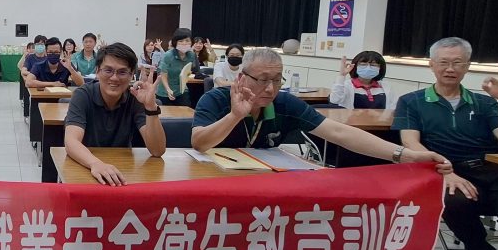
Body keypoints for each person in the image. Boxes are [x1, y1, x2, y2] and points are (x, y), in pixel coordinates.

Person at [190, 47, 450, 170]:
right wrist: (235, 116)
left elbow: (339, 132)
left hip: (264, 179)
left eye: (277, 80)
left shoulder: (284, 103)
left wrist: (403, 155)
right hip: (214, 177)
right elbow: (199, 143)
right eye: (262, 80)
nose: (270, 88)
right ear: (241, 78)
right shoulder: (216, 100)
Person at [393, 37, 498, 250]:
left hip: (488, 168)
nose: (450, 69)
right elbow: (410, 143)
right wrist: (445, 170)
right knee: (454, 201)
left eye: (457, 63)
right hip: (441, 168)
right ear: (431, 64)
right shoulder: (412, 101)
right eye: (443, 62)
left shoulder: (485, 102)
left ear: (468, 66)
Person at [64, 42, 167, 186]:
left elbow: (157, 151)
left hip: (123, 171)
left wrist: (150, 107)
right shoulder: (83, 95)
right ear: (97, 71)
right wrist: (96, 164)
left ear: (132, 75)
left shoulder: (134, 97)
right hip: (85, 166)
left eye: (122, 72)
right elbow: (71, 141)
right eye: (108, 70)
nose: (114, 78)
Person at [330, 51, 396, 109]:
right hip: (352, 119)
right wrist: (342, 75)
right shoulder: (347, 85)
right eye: (363, 64)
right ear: (355, 67)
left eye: (373, 65)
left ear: (380, 68)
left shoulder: (386, 87)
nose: (368, 68)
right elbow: (335, 100)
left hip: (380, 119)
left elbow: (393, 108)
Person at [155, 28, 196, 106]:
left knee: (186, 110)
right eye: (181, 41)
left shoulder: (191, 55)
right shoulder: (168, 55)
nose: (184, 43)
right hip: (165, 91)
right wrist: (168, 89)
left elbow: (187, 71)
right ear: (175, 42)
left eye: (187, 40)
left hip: (181, 90)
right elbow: (163, 74)